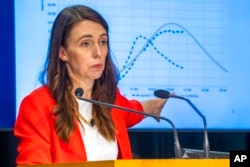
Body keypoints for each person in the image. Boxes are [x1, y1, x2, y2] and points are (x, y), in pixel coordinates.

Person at [14, 5, 169, 165]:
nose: (98, 52)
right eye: (85, 44)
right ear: (63, 53)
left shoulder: (109, 99)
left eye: (102, 42)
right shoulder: (37, 105)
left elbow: (131, 110)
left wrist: (154, 106)